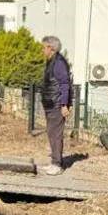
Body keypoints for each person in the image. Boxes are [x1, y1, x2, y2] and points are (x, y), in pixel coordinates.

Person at [39, 36, 73, 176]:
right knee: (51, 132)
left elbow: (65, 84)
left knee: (56, 134)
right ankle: (54, 162)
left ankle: (57, 164)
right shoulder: (51, 62)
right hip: (50, 102)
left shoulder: (59, 63)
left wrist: (64, 104)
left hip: (57, 104)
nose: (42, 50)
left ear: (51, 48)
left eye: (44, 47)